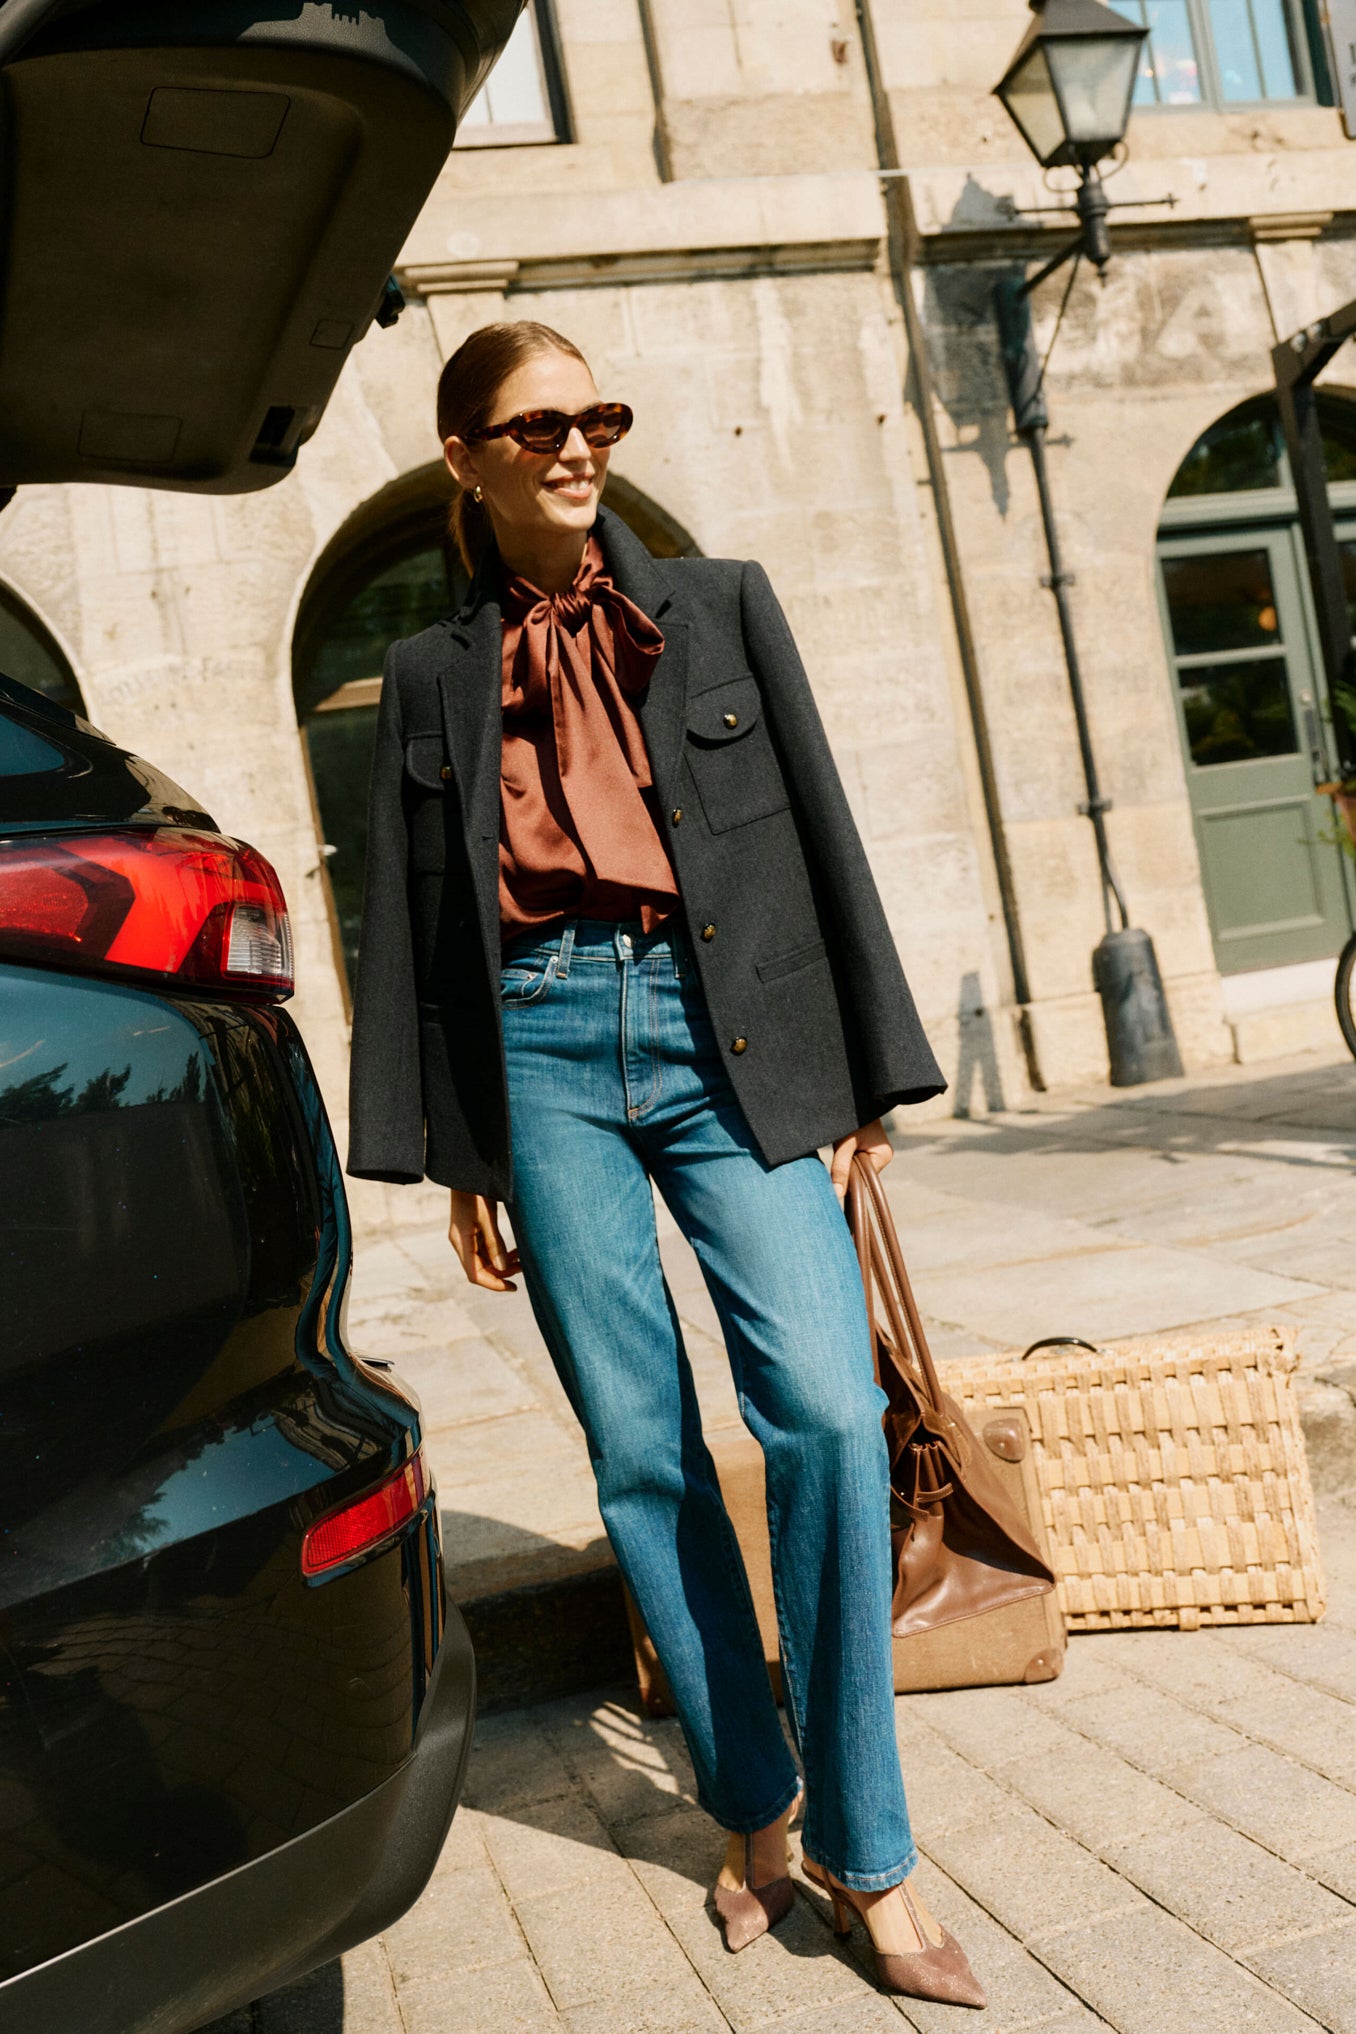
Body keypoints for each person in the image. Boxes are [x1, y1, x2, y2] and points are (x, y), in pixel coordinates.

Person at [347, 319, 985, 2010]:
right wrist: (463, 1151)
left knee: (831, 1413)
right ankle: (761, 1808)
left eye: (598, 415)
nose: (578, 445)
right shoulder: (425, 675)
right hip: (544, 1053)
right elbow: (412, 930)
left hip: (734, 1041)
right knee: (640, 1447)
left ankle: (875, 1849)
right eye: (539, 423)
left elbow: (823, 835)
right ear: (468, 459)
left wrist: (868, 1079)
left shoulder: (719, 604)